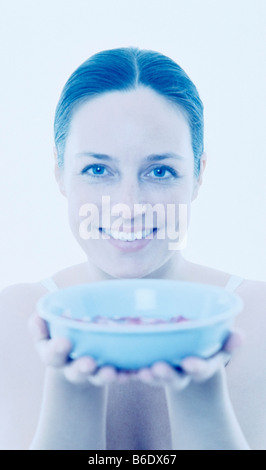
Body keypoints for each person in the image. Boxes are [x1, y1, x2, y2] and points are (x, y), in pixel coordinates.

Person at [1, 47, 265, 450]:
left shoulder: (256, 319)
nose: (128, 206)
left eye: (160, 171)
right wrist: (71, 392)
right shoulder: (17, 319)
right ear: (59, 173)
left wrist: (202, 399)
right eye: (98, 169)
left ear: (198, 176)